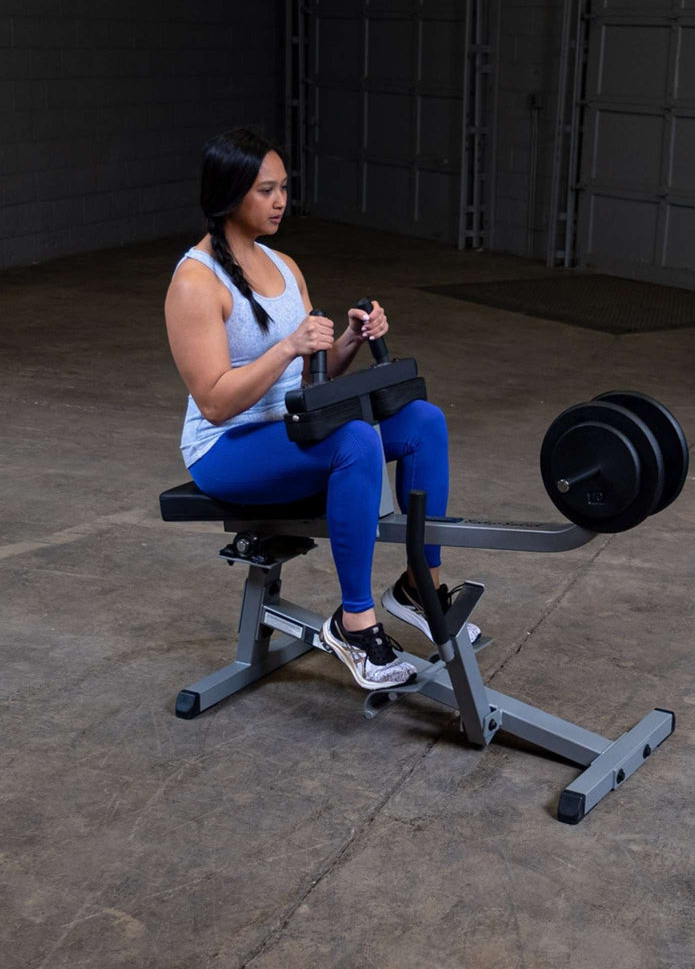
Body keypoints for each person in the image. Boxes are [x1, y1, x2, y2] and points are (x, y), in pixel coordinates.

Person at [164, 128, 473, 691]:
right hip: (225, 449)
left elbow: (312, 380)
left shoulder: (283, 265)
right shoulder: (195, 281)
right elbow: (214, 402)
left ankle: (420, 588)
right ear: (230, 195)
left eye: (284, 188)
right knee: (355, 439)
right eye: (266, 190)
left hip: (291, 429)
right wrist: (288, 346)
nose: (280, 201)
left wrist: (351, 338)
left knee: (424, 421)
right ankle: (353, 624)